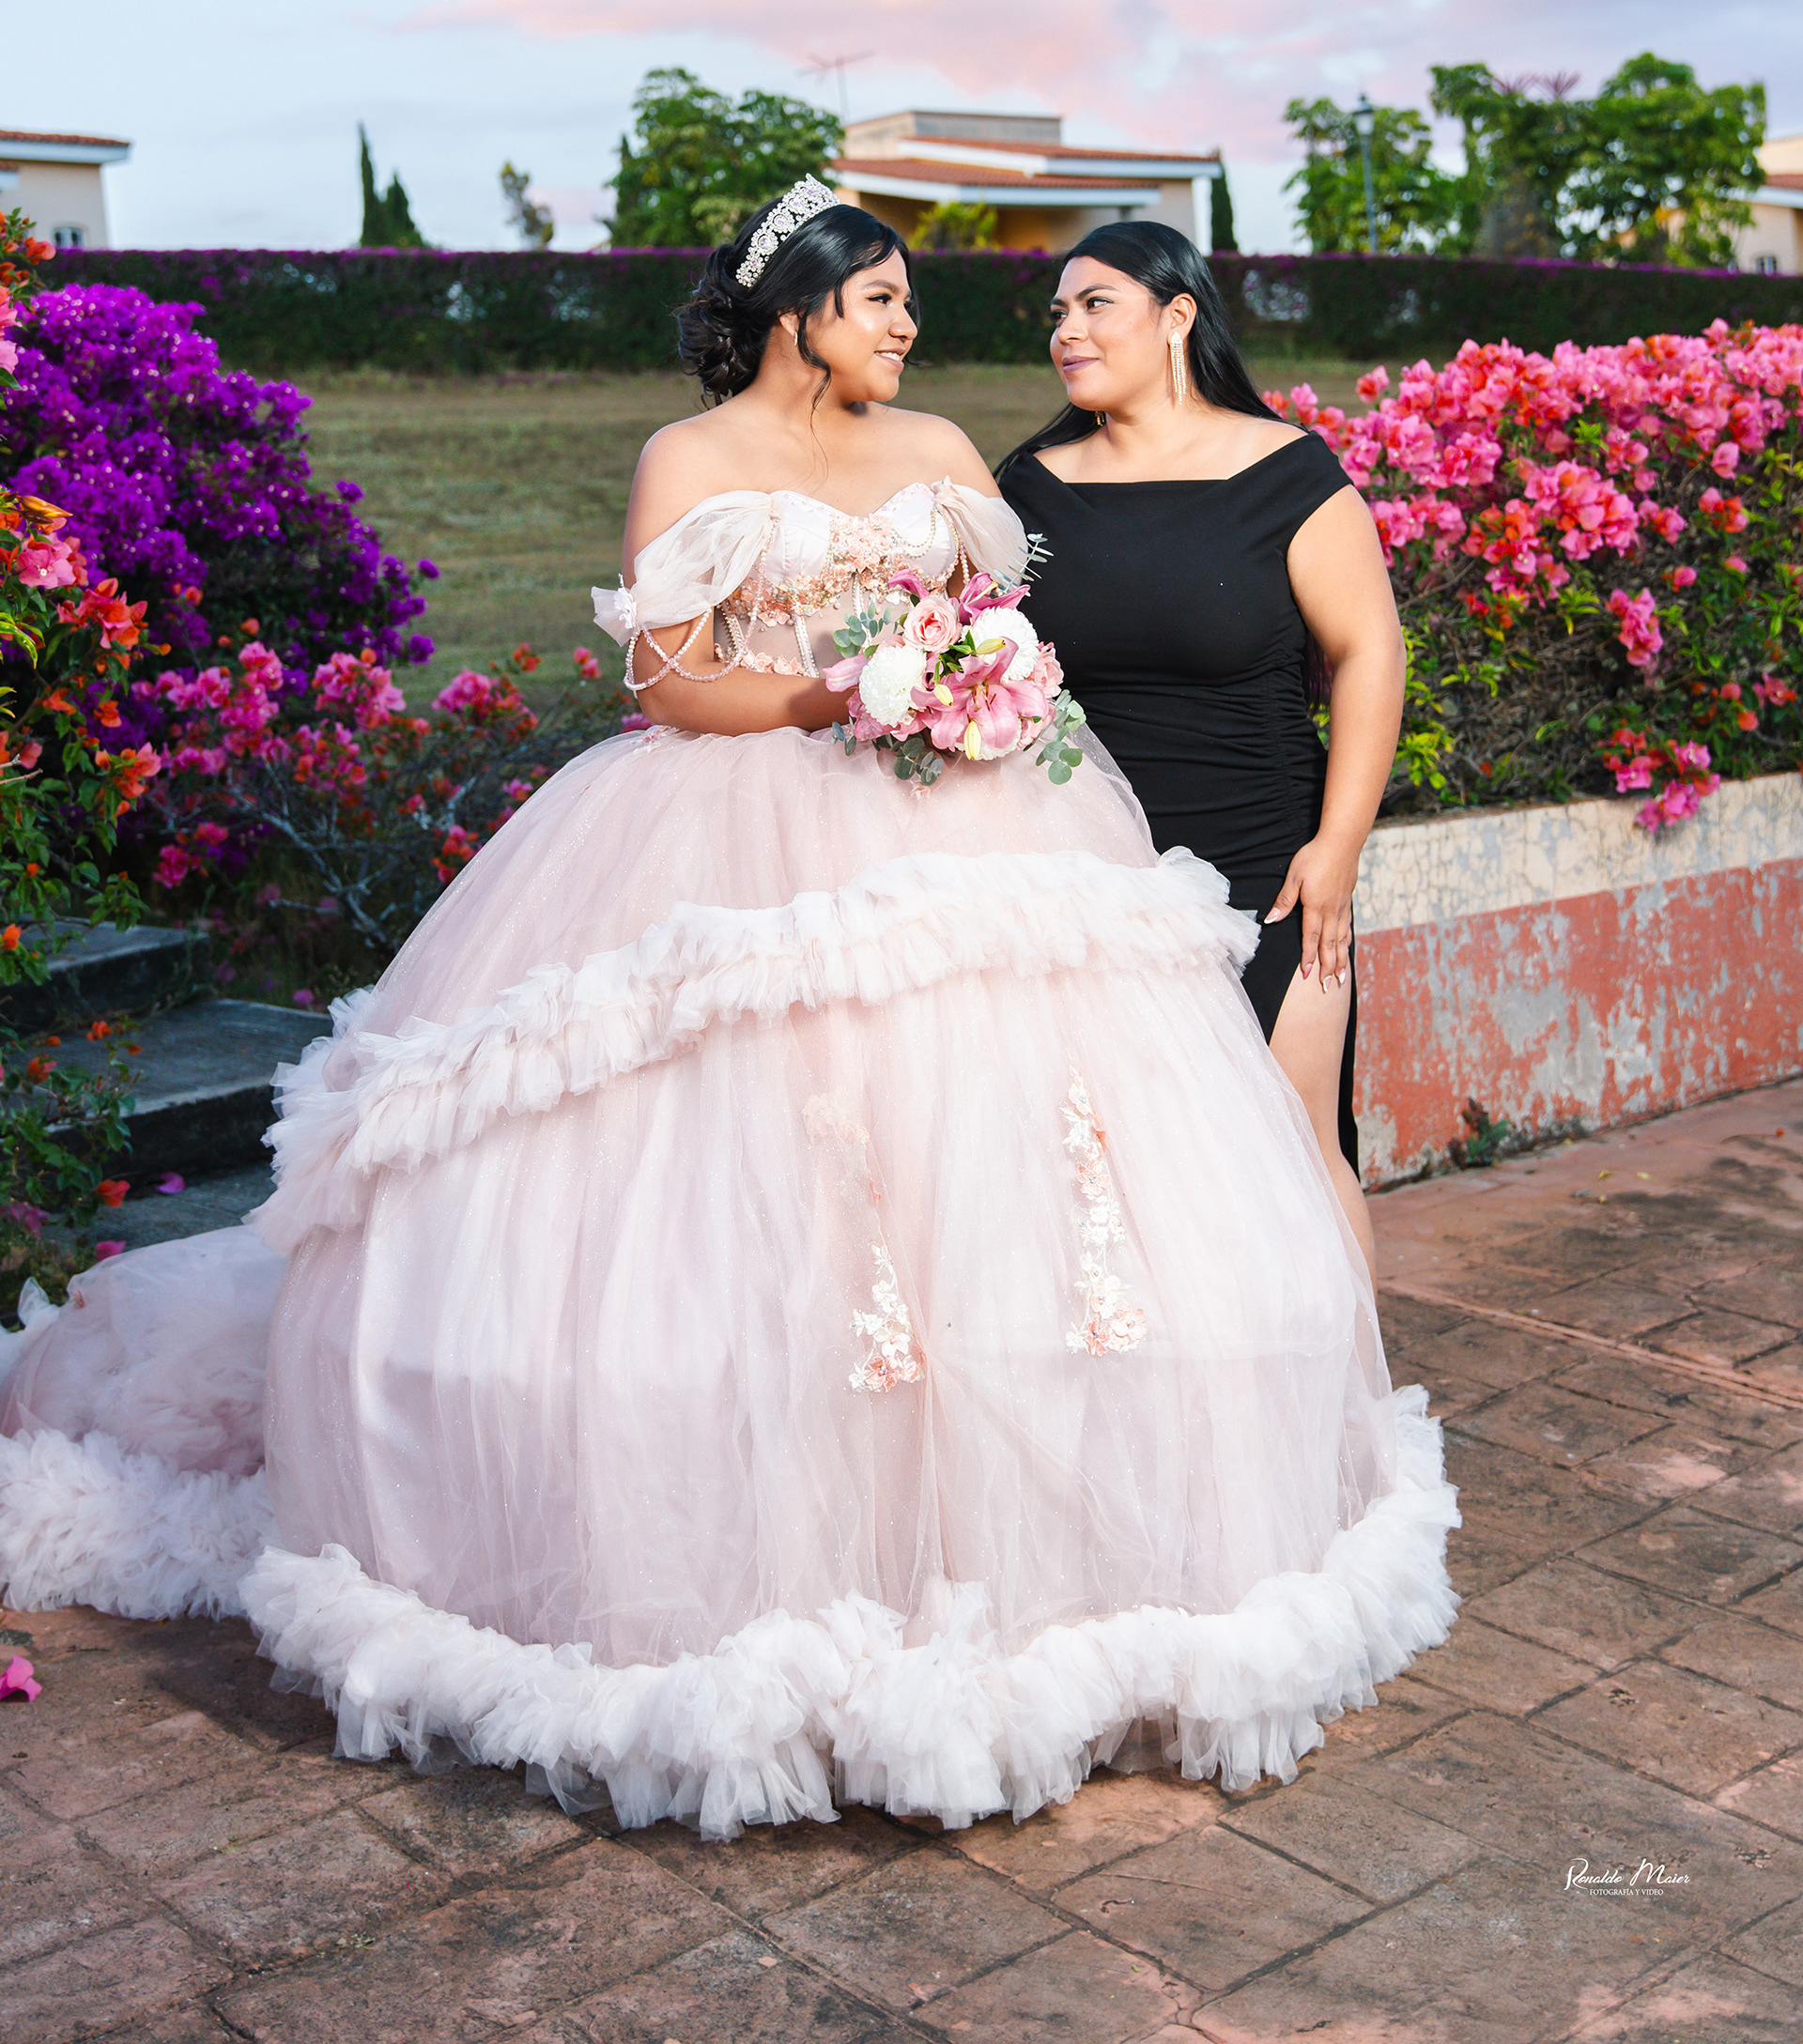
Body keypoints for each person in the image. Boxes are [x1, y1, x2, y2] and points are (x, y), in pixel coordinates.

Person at [0, 182, 1454, 1842]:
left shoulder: (948, 453)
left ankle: (1037, 1499)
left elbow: (1008, 631)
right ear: (799, 310)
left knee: (1002, 1153)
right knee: (764, 1157)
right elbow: (668, 679)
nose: (910, 327)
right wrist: (835, 691)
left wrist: (969, 690)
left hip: (957, 823)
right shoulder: (687, 459)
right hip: (731, 820)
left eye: (908, 303)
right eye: (882, 300)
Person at [997, 224, 1406, 1251]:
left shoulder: (1287, 473)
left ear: (1177, 316)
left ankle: (1340, 1367)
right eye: (1058, 313)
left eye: (1096, 305)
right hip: (1091, 874)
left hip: (1268, 865)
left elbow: (1369, 653)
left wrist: (1339, 846)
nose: (1067, 331)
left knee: (1296, 1147)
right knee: (1124, 1175)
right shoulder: (1030, 487)